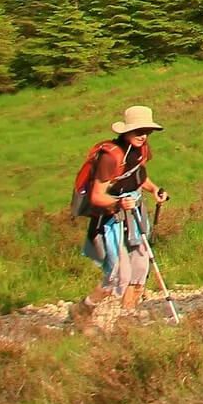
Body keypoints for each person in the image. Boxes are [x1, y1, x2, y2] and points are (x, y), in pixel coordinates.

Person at [77, 105, 167, 319]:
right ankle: (84, 309)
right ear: (125, 131)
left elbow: (138, 176)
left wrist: (154, 189)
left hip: (135, 210)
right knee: (118, 274)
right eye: (138, 131)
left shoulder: (141, 149)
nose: (143, 136)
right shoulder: (111, 157)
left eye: (146, 131)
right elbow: (97, 196)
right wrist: (118, 204)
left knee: (141, 264)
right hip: (111, 218)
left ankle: (128, 315)